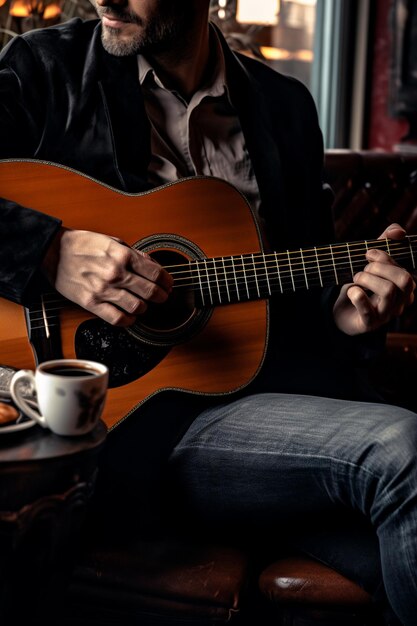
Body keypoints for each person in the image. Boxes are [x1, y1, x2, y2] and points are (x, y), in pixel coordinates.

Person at [0, 2, 416, 623]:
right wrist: (48, 250)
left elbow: (301, 294)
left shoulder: (284, 106)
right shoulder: (43, 70)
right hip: (122, 427)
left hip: (264, 413)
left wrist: (347, 318)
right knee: (402, 448)